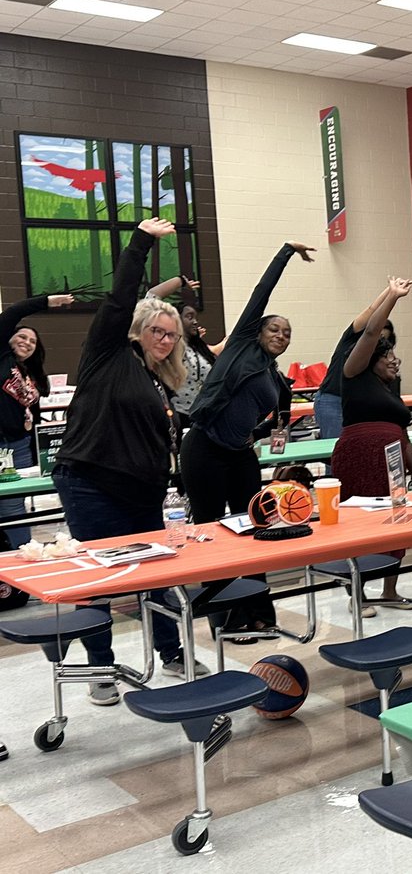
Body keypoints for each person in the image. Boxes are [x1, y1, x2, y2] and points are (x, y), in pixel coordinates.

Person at [52, 218, 206, 702]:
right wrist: (140, 242)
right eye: (157, 331)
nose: (166, 340)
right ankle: (100, 668)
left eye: (173, 335)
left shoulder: (158, 379)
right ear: (138, 332)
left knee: (154, 575)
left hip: (140, 492)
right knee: (99, 577)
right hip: (90, 482)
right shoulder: (107, 354)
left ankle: (173, 652)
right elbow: (121, 299)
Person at [182, 238, 316, 637]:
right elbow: (263, 292)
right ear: (258, 331)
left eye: (287, 332)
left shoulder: (276, 378)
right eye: (274, 328)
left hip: (240, 454)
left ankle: (259, 610)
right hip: (204, 447)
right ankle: (223, 614)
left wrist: (262, 434)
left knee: (254, 525)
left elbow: (271, 421)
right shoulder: (240, 346)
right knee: (210, 529)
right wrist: (286, 252)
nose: (281, 334)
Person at [340, 276, 412, 613]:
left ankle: (390, 590)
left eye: (395, 359)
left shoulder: (390, 389)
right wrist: (393, 296)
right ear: (371, 359)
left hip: (391, 455)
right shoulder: (354, 373)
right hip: (359, 454)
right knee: (360, 524)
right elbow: (371, 332)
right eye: (387, 358)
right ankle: (357, 595)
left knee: (397, 521)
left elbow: (400, 433)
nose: (393, 362)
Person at [0, 291, 73, 550]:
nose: (27, 342)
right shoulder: (1, 356)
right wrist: (47, 302)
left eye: (32, 341)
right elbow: (11, 314)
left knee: (13, 502)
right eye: (21, 336)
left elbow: (34, 417)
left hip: (18, 445)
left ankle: (21, 556)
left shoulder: (32, 376)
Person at [312, 285, 400, 440]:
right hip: (333, 398)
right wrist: (390, 292)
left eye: (383, 339)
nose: (376, 342)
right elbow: (371, 310)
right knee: (336, 450)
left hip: (357, 403)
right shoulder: (352, 338)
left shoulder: (380, 356)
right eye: (376, 337)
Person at [146, 276, 221, 427]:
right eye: (189, 317)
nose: (195, 321)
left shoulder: (199, 350)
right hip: (179, 418)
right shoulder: (171, 346)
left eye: (195, 317)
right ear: (176, 320)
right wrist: (179, 281)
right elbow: (151, 297)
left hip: (204, 417)